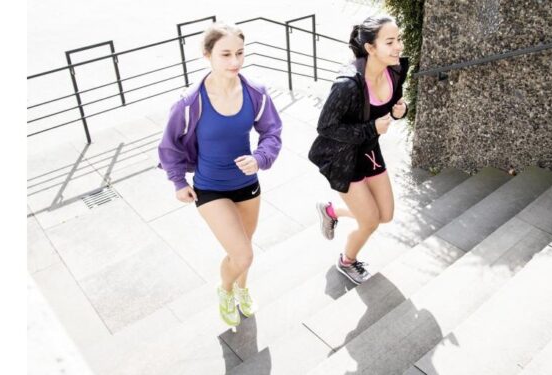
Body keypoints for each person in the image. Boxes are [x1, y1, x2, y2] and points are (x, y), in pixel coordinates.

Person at [158, 22, 283, 327]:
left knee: (245, 247)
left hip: (247, 185)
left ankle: (242, 288)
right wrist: (178, 181)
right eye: (225, 54)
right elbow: (168, 145)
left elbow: (272, 132)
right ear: (207, 55)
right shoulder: (189, 103)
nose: (235, 62)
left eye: (240, 53)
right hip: (210, 188)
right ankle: (225, 290)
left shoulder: (256, 93)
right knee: (241, 254)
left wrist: (260, 158)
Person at [308, 15, 408, 285]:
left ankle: (332, 212)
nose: (399, 46)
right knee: (371, 222)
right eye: (390, 42)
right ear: (370, 48)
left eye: (398, 39)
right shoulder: (347, 84)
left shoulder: (396, 69)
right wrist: (371, 129)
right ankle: (347, 261)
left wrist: (400, 111)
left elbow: (390, 105)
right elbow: (326, 127)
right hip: (343, 158)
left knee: (384, 215)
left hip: (369, 151)